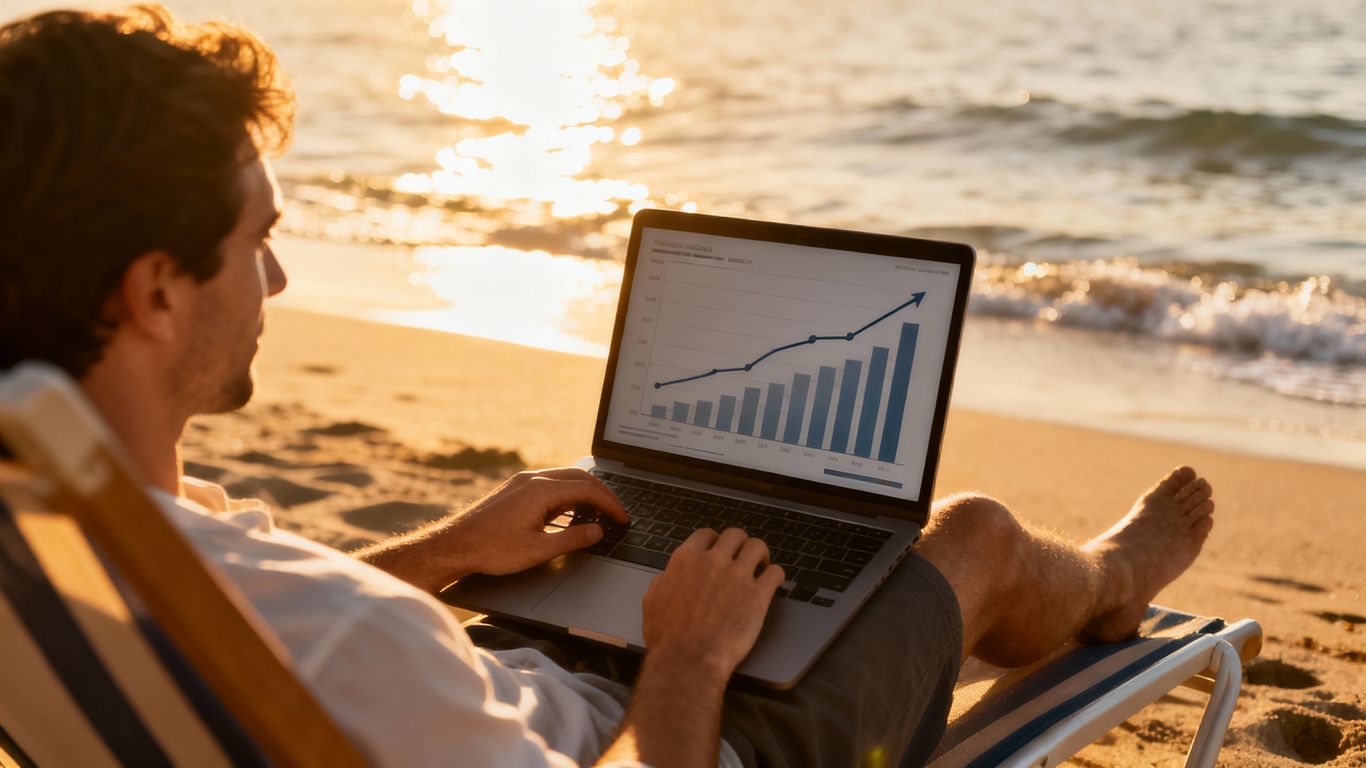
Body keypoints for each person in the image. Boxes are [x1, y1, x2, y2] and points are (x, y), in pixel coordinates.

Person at [0, 7, 1217, 767]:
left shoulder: (60, 529)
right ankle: (1108, 583)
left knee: (678, 563)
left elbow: (263, 645)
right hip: (689, 736)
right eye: (256, 237)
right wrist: (688, 660)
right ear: (156, 294)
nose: (277, 272)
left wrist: (449, 552)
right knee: (976, 534)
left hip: (520, 695)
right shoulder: (355, 644)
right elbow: (337, 652)